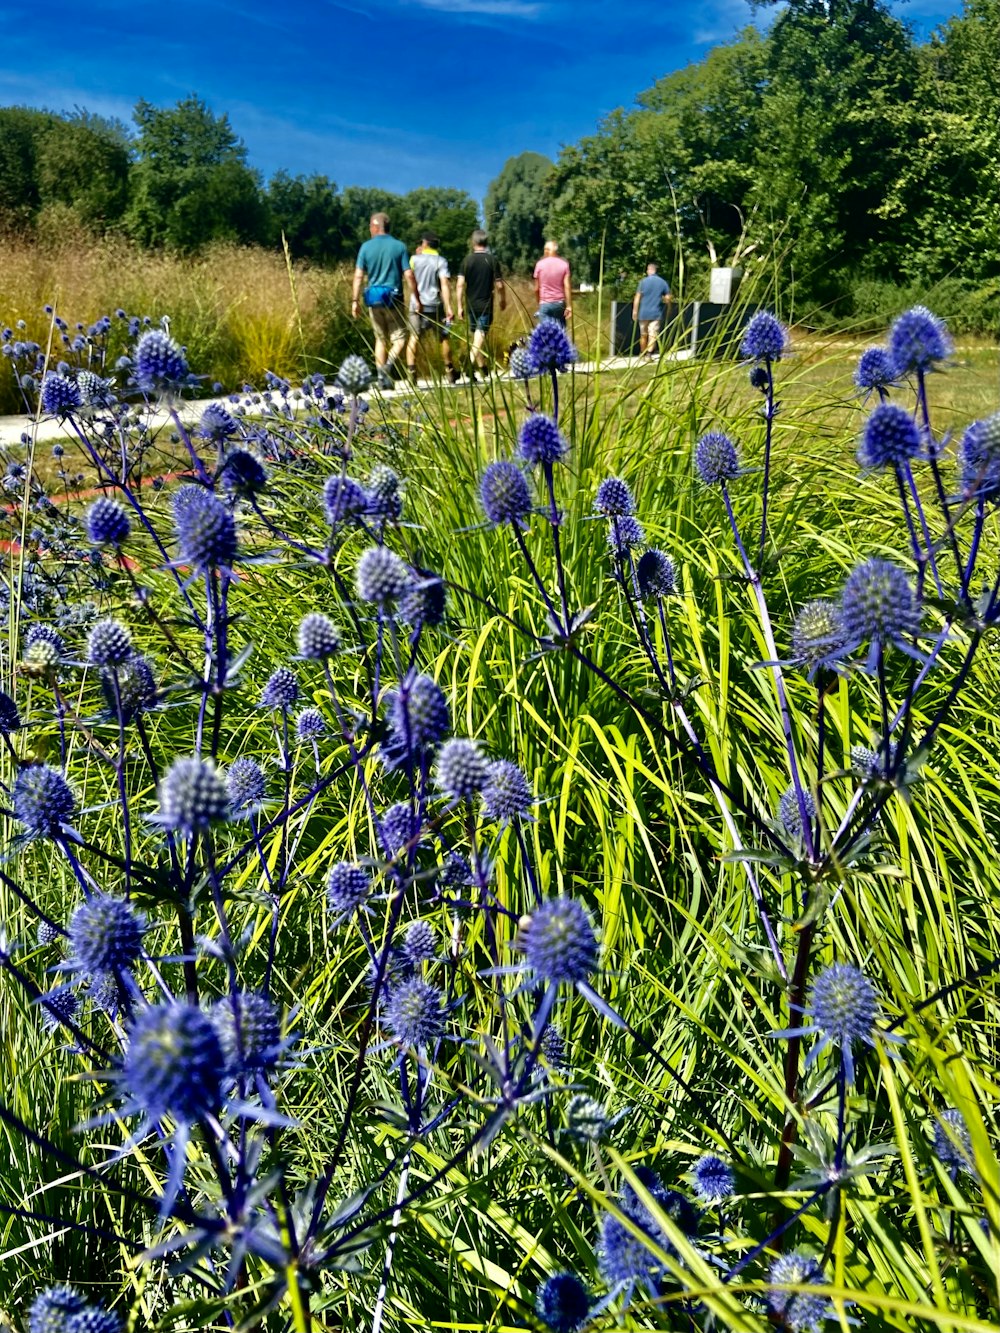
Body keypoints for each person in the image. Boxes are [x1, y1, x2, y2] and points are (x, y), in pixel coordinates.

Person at [351, 212, 420, 390]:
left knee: (380, 339)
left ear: (375, 226)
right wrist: (416, 297)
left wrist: (355, 301)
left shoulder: (365, 247)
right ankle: (388, 366)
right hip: (393, 300)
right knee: (399, 339)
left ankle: (383, 379)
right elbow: (409, 275)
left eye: (370, 227)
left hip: (373, 300)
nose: (369, 230)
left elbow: (358, 276)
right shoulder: (399, 247)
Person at [406, 232, 458, 384]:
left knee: (414, 338)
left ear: (424, 243)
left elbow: (409, 278)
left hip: (416, 304)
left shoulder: (413, 259)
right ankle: (449, 371)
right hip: (435, 305)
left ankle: (412, 372)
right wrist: (449, 307)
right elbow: (445, 285)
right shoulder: (441, 261)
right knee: (443, 338)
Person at [456, 229, 505, 380]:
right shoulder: (491, 260)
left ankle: (482, 369)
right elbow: (500, 286)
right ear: (486, 242)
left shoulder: (467, 260)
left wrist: (459, 305)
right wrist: (503, 300)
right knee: (481, 335)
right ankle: (468, 365)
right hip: (485, 304)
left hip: (470, 304)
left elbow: (459, 284)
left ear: (473, 242)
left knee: (477, 337)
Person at [632, 262, 672, 358]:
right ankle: (649, 354)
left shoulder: (643, 282)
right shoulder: (663, 282)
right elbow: (668, 298)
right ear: (655, 270)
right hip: (656, 313)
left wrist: (635, 311)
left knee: (643, 334)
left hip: (643, 313)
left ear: (648, 270)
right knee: (653, 334)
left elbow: (637, 297)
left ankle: (642, 352)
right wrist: (669, 309)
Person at [533, 240, 572, 327]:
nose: (545, 251)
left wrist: (540, 302)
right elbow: (567, 286)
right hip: (559, 303)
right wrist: (569, 306)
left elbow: (536, 288)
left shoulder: (539, 264)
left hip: (545, 303)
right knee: (560, 333)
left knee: (546, 335)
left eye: (546, 249)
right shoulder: (564, 264)